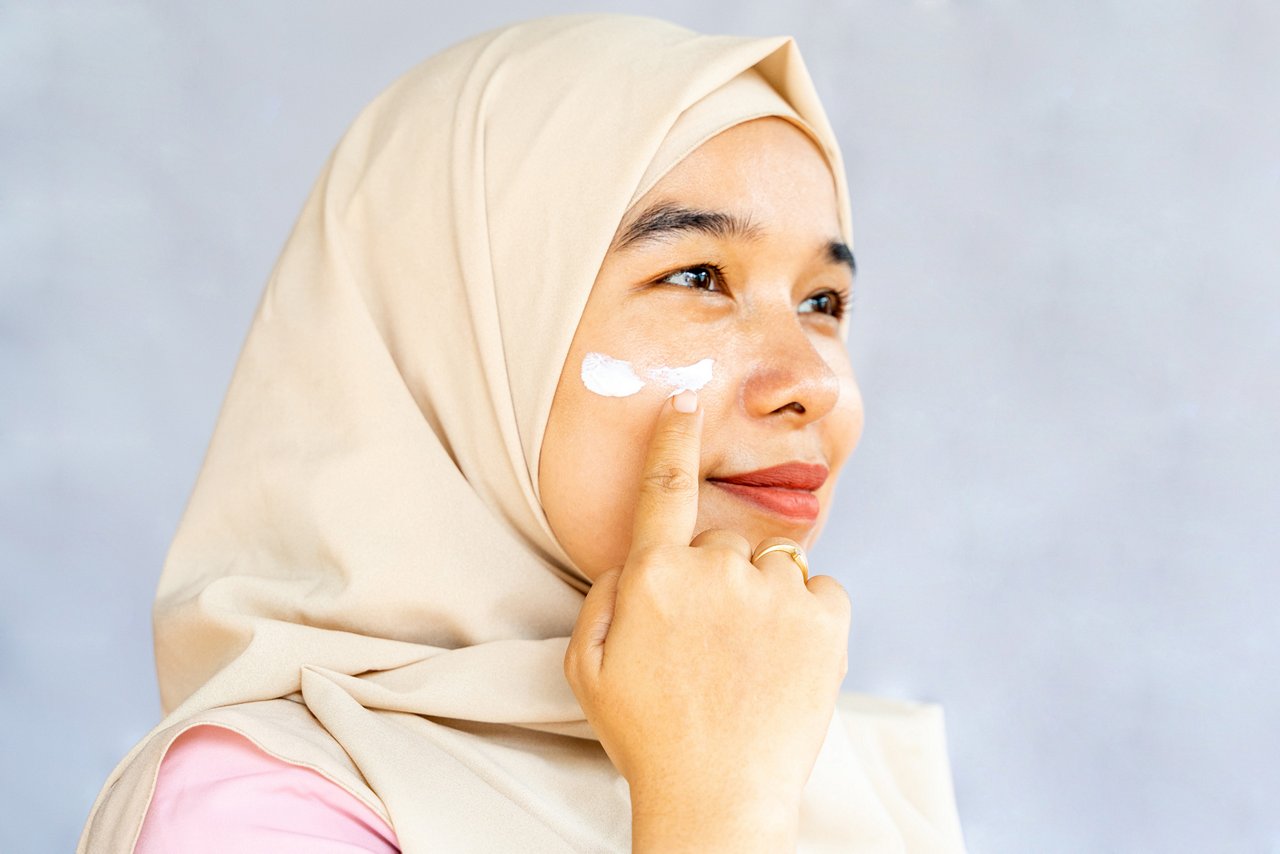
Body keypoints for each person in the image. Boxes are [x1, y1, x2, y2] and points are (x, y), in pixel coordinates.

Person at [79, 13, 967, 852]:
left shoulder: (848, 765)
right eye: (699, 275)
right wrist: (718, 811)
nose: (812, 381)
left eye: (824, 302)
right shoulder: (260, 802)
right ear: (456, 334)